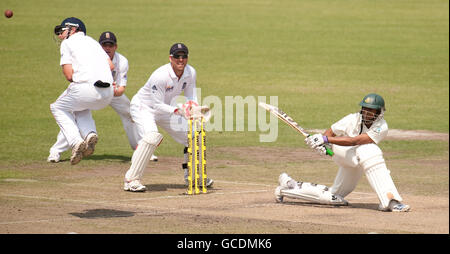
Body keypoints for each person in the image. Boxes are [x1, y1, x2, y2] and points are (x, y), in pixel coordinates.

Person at [275, 93, 410, 212]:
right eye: (365, 109)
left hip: (357, 158)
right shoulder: (352, 118)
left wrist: (326, 139)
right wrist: (323, 144)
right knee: (371, 150)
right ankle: (390, 201)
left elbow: (355, 141)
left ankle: (288, 187)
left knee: (334, 196)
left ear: (379, 113)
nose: (367, 113)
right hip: (343, 153)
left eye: (371, 111)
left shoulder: (382, 126)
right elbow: (330, 132)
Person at [47, 31, 157, 162]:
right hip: (94, 88)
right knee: (77, 113)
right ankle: (56, 151)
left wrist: (113, 90)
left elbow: (121, 89)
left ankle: (141, 150)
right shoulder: (91, 56)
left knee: (130, 113)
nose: (107, 48)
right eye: (104, 45)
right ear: (100, 46)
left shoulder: (122, 61)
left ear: (115, 46)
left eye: (110, 45)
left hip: (113, 93)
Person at [123, 43, 213, 192]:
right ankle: (131, 179)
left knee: (194, 136)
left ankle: (193, 177)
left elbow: (191, 95)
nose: (181, 60)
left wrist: (193, 109)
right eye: (177, 56)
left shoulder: (190, 72)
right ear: (170, 58)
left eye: (184, 56)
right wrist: (179, 111)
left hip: (167, 109)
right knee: (152, 137)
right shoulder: (160, 76)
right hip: (144, 107)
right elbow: (157, 105)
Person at [49, 17, 114, 165]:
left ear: (73, 29)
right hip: (108, 92)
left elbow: (69, 75)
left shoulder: (67, 43)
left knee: (57, 107)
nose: (61, 34)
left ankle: (75, 141)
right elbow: (110, 66)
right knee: (79, 106)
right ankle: (90, 134)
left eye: (63, 30)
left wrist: (82, 76)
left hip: (86, 88)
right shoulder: (93, 42)